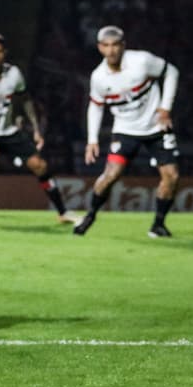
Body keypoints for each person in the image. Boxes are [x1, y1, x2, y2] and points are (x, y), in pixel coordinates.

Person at [73, 25, 180, 237]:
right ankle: (90, 215)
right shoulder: (99, 77)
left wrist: (165, 107)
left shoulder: (142, 61)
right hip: (125, 131)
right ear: (99, 47)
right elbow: (96, 105)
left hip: (156, 128)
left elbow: (172, 72)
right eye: (106, 46)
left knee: (172, 176)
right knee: (111, 175)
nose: (111, 51)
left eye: (115, 45)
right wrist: (92, 140)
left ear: (123, 45)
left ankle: (158, 225)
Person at [0, 33, 80, 225]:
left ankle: (63, 212)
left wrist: (35, 129)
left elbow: (25, 100)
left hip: (9, 130)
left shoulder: (14, 73)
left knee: (39, 165)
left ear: (5, 53)